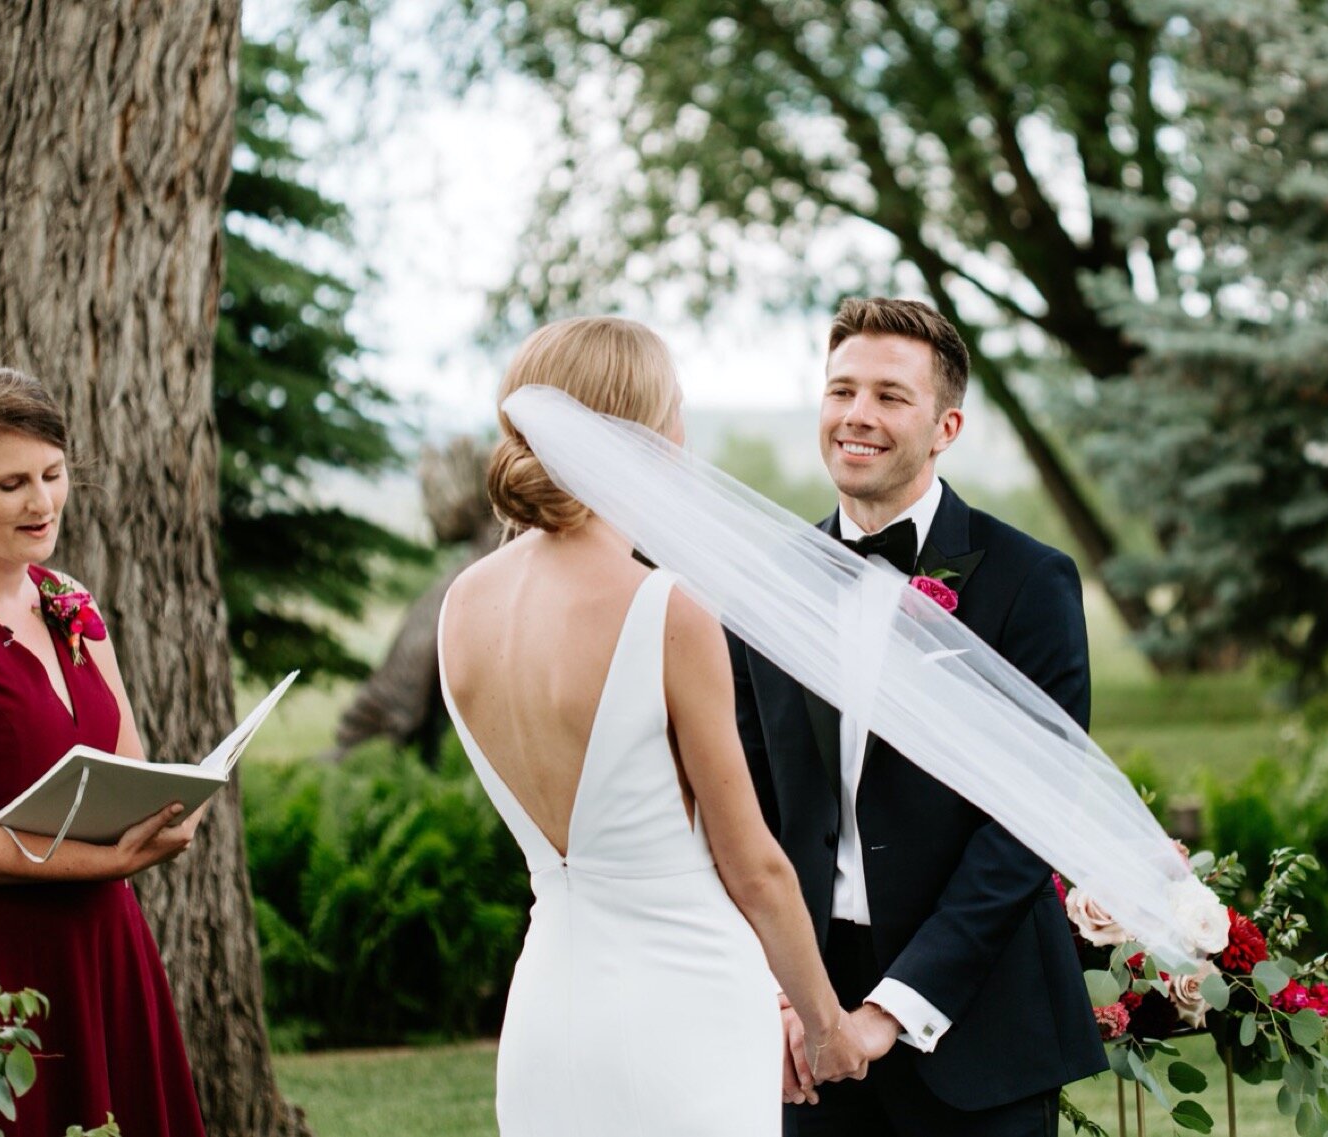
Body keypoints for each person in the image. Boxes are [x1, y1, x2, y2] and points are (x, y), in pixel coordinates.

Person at [437, 316, 874, 1137]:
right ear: (639, 434)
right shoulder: (664, 607)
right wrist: (826, 1025)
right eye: (674, 411)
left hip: (544, 1016)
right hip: (685, 1009)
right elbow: (757, 869)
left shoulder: (464, 605)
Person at [729, 297, 1107, 1137]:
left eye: (890, 396)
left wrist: (890, 1011)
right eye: (841, 391)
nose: (857, 415)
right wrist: (791, 995)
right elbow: (745, 807)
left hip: (976, 1024)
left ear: (945, 426)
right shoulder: (763, 586)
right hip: (806, 1033)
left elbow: (1029, 819)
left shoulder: (1027, 582)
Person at [0, 365, 208, 1136]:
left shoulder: (68, 601)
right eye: (12, 482)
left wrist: (169, 812)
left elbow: (130, 764)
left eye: (53, 473)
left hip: (103, 947)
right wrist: (106, 860)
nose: (43, 501)